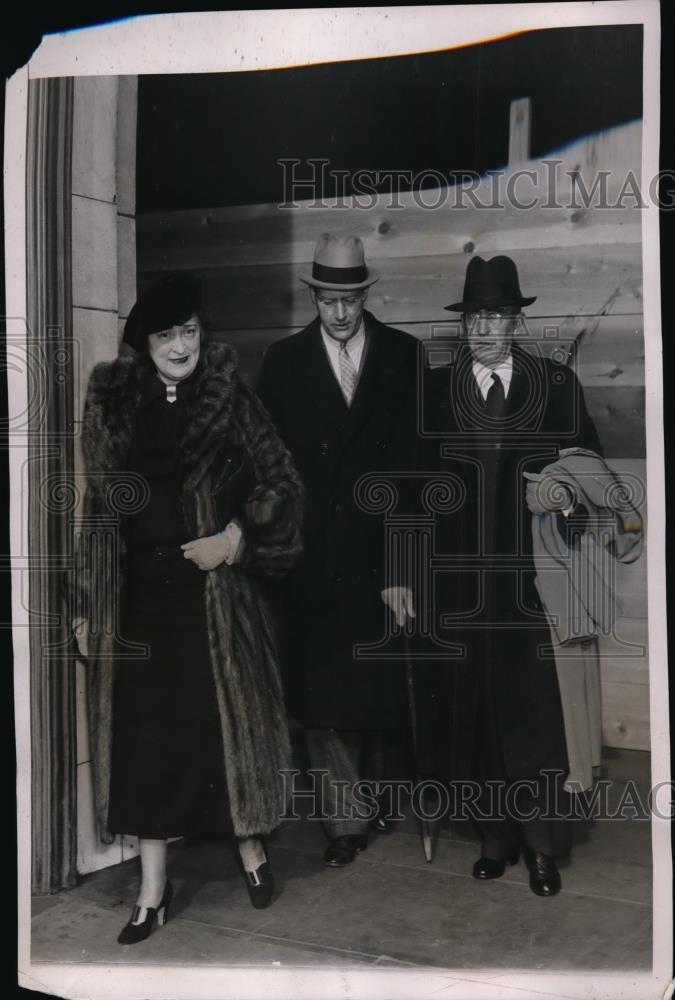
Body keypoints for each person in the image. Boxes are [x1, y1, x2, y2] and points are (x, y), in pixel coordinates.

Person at [71, 274, 303, 943]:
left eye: (190, 331)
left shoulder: (230, 396)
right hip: (139, 601)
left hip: (213, 600)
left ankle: (251, 849)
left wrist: (234, 541)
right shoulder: (115, 402)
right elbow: (97, 514)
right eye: (166, 335)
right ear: (144, 344)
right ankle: (151, 890)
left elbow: (283, 483)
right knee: (145, 744)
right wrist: (88, 602)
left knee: (217, 731)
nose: (181, 346)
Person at [413, 255, 602, 896]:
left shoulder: (555, 385)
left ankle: (541, 847)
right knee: (477, 711)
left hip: (532, 585)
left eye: (498, 315)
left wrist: (566, 497)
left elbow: (590, 466)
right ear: (465, 325)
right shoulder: (436, 391)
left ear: (516, 320)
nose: (487, 328)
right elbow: (413, 494)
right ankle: (493, 837)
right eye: (476, 317)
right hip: (461, 587)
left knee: (532, 715)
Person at [257, 234, 418, 867]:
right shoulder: (283, 360)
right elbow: (268, 465)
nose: (341, 313)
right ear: (316, 297)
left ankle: (376, 797)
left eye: (350, 299)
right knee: (323, 698)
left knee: (375, 692)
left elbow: (418, 469)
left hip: (382, 558)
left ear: (365, 295)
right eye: (329, 300)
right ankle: (343, 824)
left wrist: (405, 565)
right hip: (315, 561)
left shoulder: (403, 357)